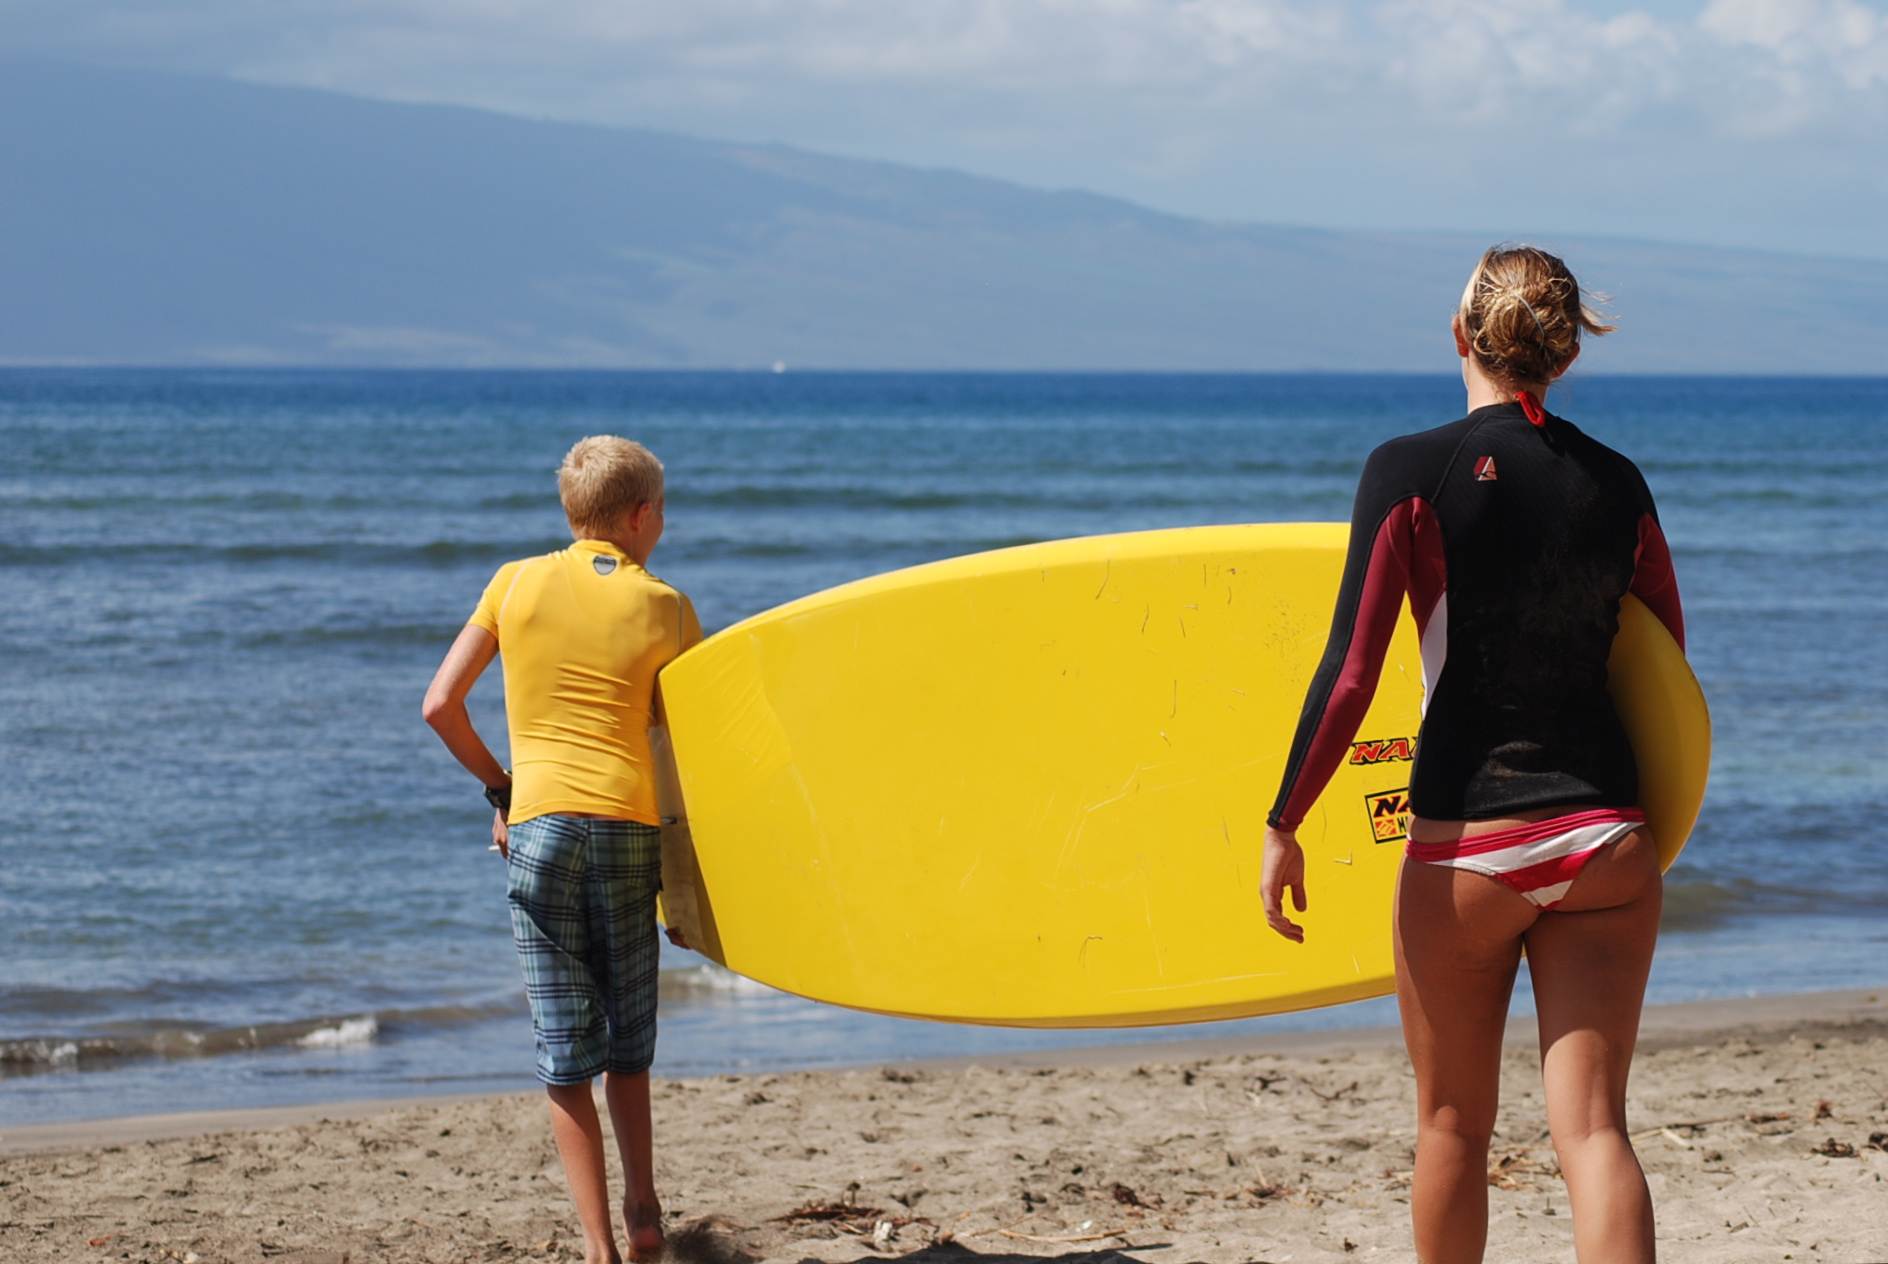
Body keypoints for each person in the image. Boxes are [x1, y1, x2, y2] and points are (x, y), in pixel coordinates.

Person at [1260, 246, 1684, 1263]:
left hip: (1467, 848)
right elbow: (1664, 666)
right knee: (1595, 1131)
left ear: (1460, 334)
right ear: (1567, 353)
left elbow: (1351, 672)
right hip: (1605, 840)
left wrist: (1285, 820)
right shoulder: (1618, 483)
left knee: (1452, 1124)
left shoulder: (1410, 472)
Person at [423, 435, 701, 1264]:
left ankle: (599, 1249)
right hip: (627, 830)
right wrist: (684, 894)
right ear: (641, 515)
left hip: (540, 831)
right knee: (628, 1047)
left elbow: (440, 706)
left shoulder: (513, 583)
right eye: (663, 512)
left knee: (564, 1056)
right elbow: (688, 756)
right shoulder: (668, 607)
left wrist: (504, 791)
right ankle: (645, 1211)